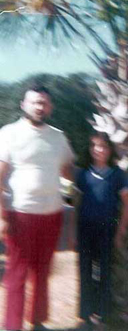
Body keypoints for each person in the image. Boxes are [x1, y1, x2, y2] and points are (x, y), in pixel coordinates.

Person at [0, 85, 74, 331]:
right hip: (19, 214)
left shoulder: (58, 137)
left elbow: (68, 170)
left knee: (43, 272)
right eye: (35, 102)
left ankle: (38, 321)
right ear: (24, 104)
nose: (39, 107)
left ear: (50, 107)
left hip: (52, 214)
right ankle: (13, 326)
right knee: (17, 274)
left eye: (44, 103)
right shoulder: (9, 133)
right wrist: (1, 217)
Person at [74, 131, 128, 331]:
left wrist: (120, 232)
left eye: (103, 146)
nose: (98, 150)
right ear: (90, 149)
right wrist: (74, 232)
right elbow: (77, 203)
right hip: (85, 230)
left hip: (107, 230)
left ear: (110, 150)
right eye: (94, 146)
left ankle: (103, 314)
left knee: (104, 273)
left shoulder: (117, 174)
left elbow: (127, 205)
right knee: (85, 271)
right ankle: (86, 314)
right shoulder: (83, 174)